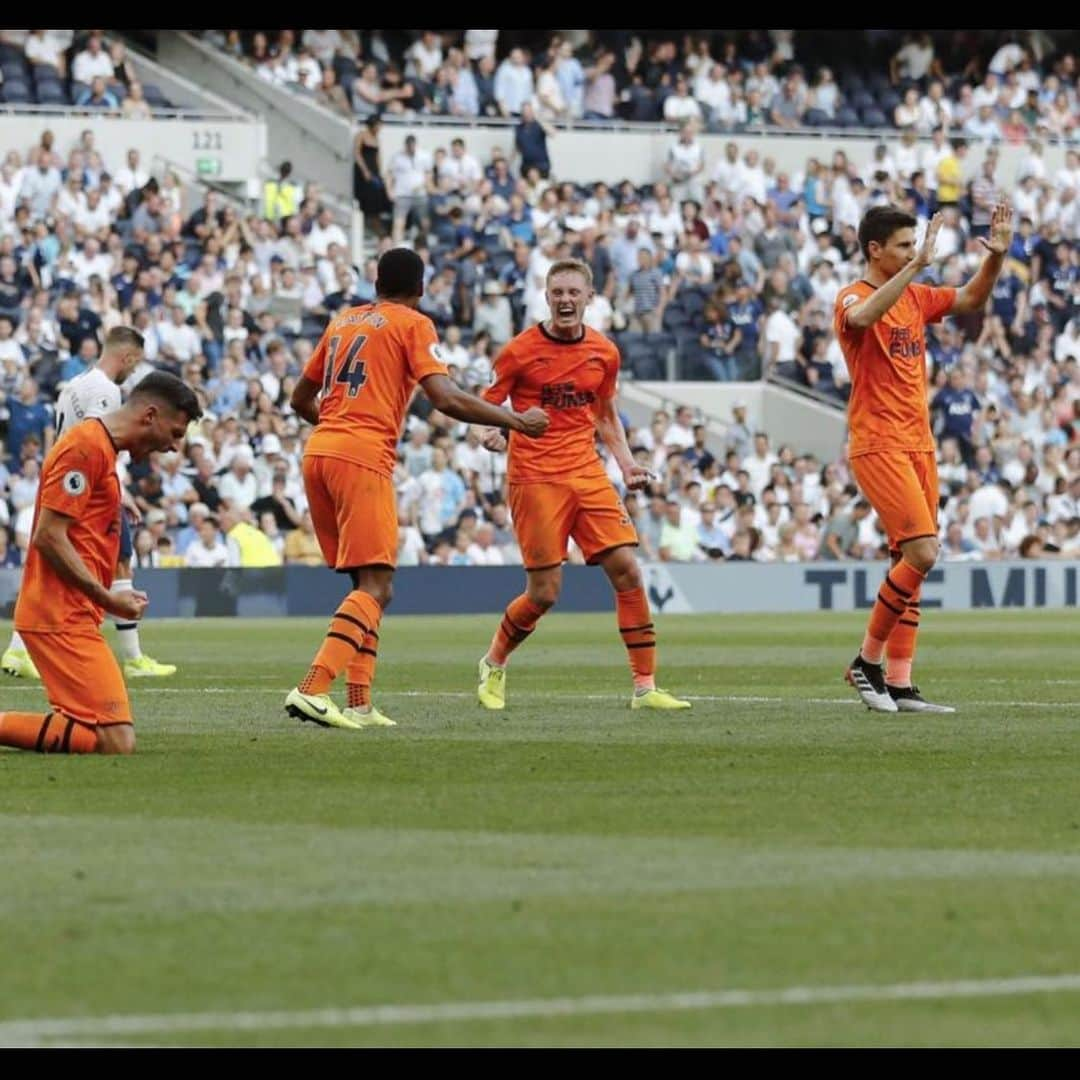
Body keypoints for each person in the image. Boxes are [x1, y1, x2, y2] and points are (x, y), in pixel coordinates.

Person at [285, 248, 549, 730]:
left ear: (376, 282)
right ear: (421, 289)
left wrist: (337, 426)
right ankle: (312, 688)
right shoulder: (414, 323)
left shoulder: (343, 321)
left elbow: (299, 398)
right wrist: (515, 420)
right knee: (379, 585)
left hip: (318, 453)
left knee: (367, 586)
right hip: (361, 457)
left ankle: (359, 702)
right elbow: (444, 398)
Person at [476, 258, 691, 712]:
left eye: (574, 292)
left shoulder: (604, 352)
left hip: (587, 473)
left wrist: (628, 464)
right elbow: (485, 405)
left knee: (628, 570)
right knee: (545, 593)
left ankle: (645, 687)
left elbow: (605, 415)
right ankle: (494, 661)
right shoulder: (518, 351)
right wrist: (493, 430)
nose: (565, 300)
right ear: (547, 297)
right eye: (558, 293)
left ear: (590, 297)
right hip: (535, 478)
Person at [836, 201, 1013, 712]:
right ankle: (866, 664)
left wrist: (996, 257)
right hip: (879, 442)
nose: (914, 253)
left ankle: (898, 681)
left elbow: (973, 299)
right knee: (923, 551)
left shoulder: (916, 297)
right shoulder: (854, 294)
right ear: (875, 250)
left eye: (914, 245)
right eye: (904, 246)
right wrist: (916, 268)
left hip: (919, 442)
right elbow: (863, 318)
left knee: (908, 560)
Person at [0, 373, 201, 755]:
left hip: (71, 613)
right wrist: (109, 599)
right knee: (116, 741)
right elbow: (48, 535)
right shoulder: (85, 447)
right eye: (175, 433)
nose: (175, 447)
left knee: (97, 735)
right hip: (58, 615)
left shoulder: (102, 451)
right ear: (150, 415)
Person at [2, 327, 177, 681]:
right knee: (121, 562)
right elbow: (101, 439)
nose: (134, 371)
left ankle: (18, 649)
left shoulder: (74, 385)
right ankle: (133, 657)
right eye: (136, 362)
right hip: (90, 487)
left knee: (48, 564)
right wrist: (120, 493)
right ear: (127, 356)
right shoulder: (106, 391)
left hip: (65, 481)